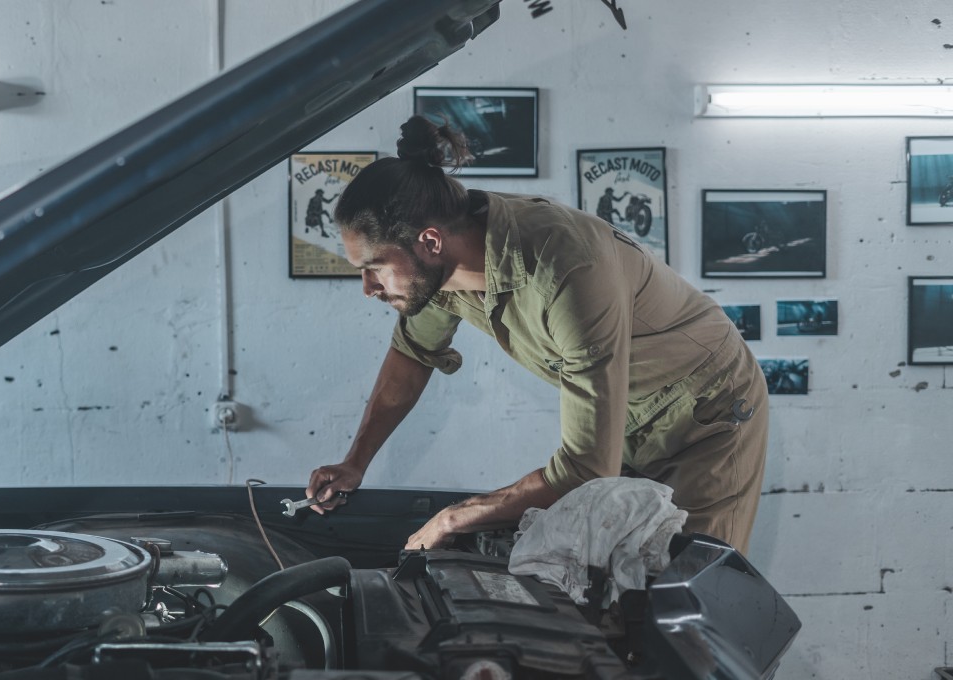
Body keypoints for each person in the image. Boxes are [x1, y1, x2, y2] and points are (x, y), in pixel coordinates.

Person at [305, 116, 769, 554]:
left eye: (374, 268)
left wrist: (453, 518)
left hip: (707, 412)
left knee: (682, 588)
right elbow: (412, 355)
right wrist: (355, 462)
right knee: (613, 579)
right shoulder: (441, 268)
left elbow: (586, 469)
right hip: (628, 420)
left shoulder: (566, 270)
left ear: (429, 241)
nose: (368, 289)